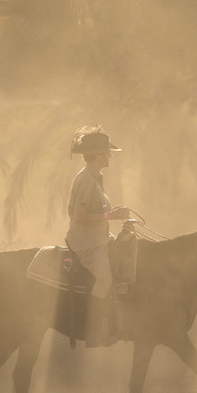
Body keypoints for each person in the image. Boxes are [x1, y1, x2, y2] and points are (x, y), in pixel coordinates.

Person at [66, 126, 131, 345]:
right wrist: (110, 215)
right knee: (104, 277)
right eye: (107, 152)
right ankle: (93, 328)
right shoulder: (86, 179)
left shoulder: (95, 178)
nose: (110, 155)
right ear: (97, 155)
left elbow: (99, 214)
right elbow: (80, 216)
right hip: (86, 243)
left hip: (99, 239)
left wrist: (112, 215)